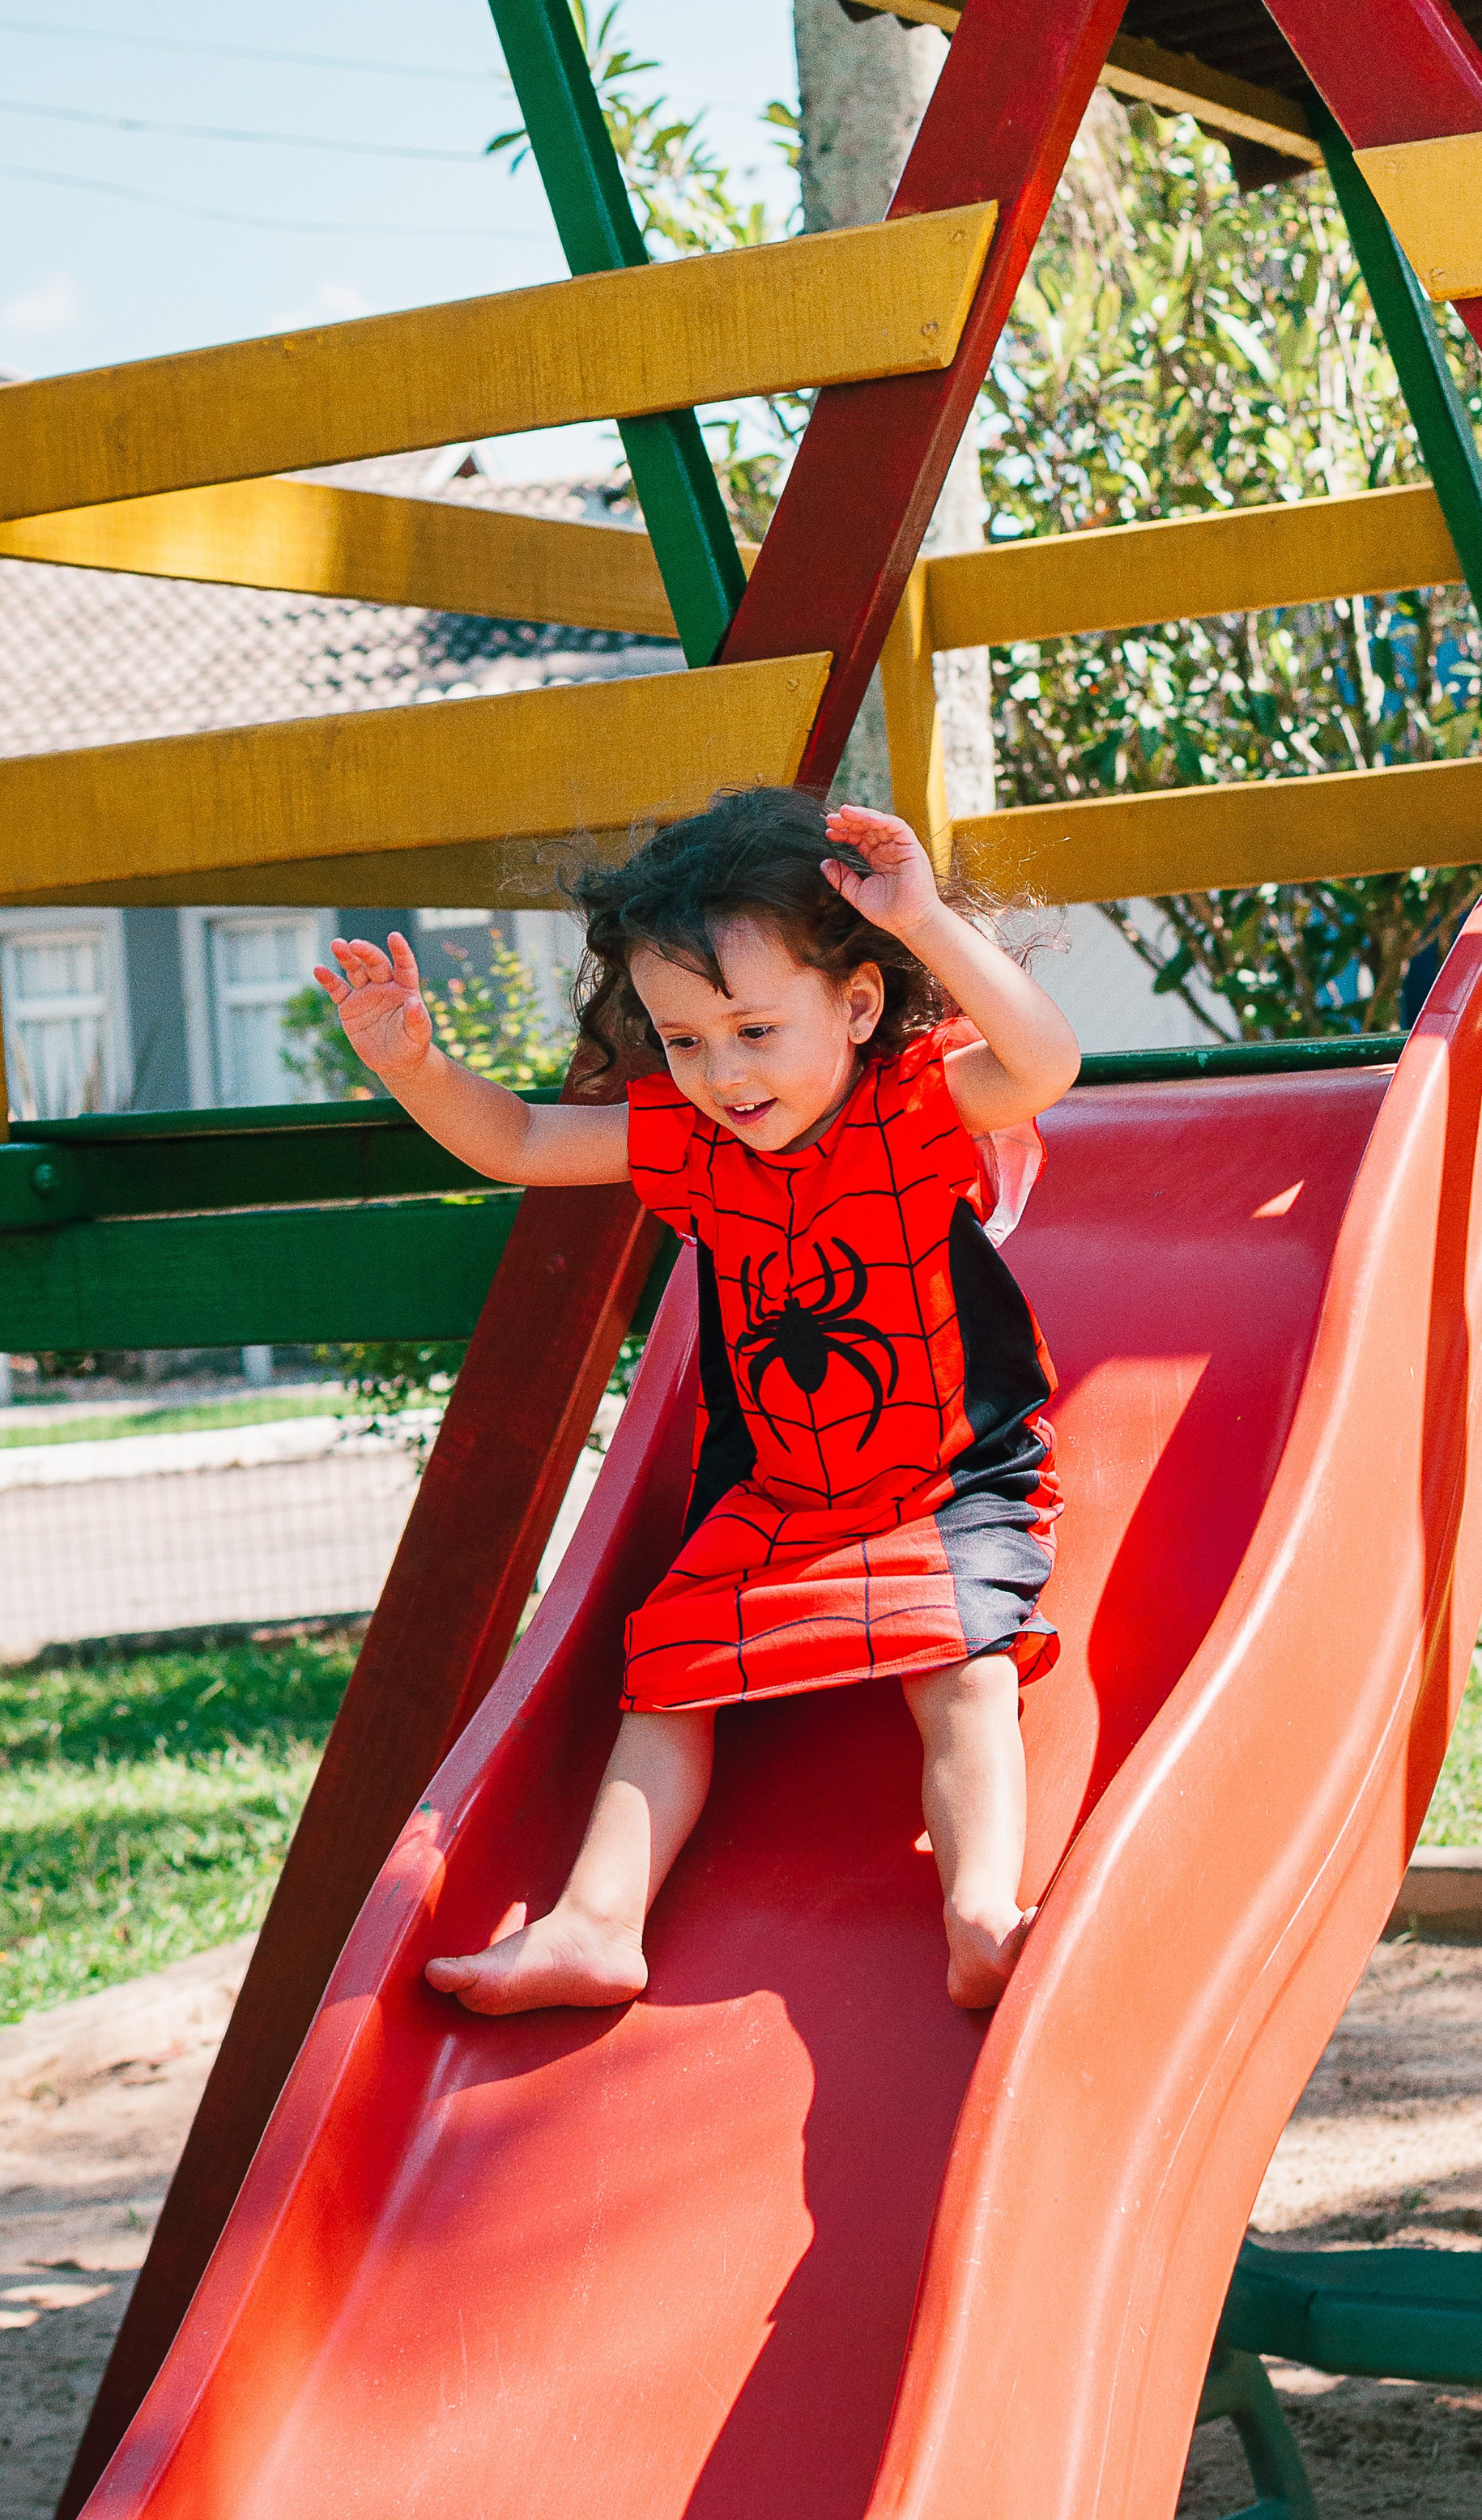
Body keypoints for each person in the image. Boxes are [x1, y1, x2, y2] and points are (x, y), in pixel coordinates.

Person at [313, 786, 1080, 2012]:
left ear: (858, 1004)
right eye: (683, 1041)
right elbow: (520, 1142)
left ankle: (981, 1914)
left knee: (964, 1665)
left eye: (756, 1030)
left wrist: (925, 921)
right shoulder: (690, 1141)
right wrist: (414, 1064)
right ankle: (596, 1923)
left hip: (945, 1479)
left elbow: (1048, 1063)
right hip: (781, 1493)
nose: (723, 1072)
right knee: (667, 1667)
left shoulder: (915, 1105)